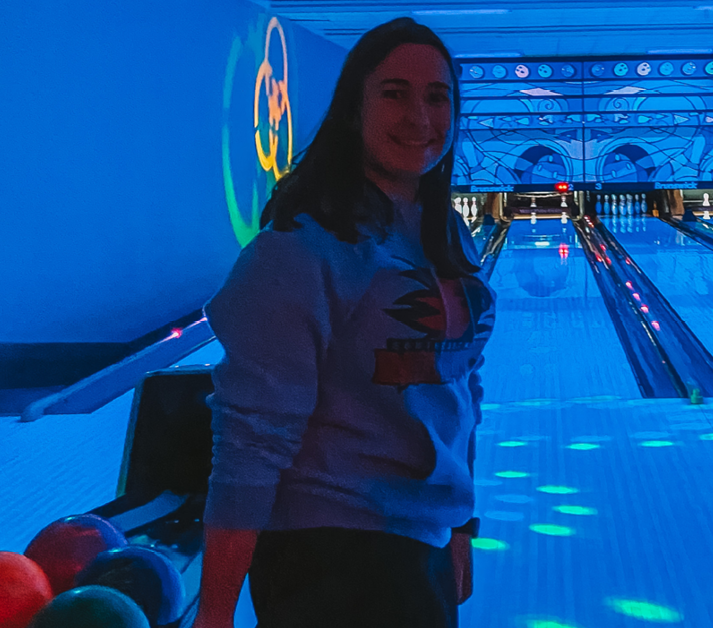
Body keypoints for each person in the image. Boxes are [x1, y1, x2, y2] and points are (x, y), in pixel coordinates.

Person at [193, 17, 494, 628]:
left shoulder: (445, 237)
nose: (420, 115)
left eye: (438, 97)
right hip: (329, 557)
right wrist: (216, 612)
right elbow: (252, 440)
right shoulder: (300, 251)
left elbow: (458, 390)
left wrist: (461, 522)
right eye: (394, 93)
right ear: (354, 111)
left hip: (418, 544)